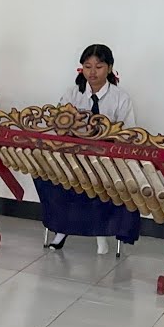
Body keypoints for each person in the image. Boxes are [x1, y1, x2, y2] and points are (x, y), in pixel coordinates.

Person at [41, 43, 139, 255]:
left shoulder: (121, 98)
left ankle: (101, 233)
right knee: (51, 173)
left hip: (106, 158)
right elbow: (58, 126)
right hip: (73, 154)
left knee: (99, 177)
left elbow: (128, 135)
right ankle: (61, 227)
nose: (92, 72)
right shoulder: (72, 94)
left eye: (99, 66)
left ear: (110, 68)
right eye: (87, 66)